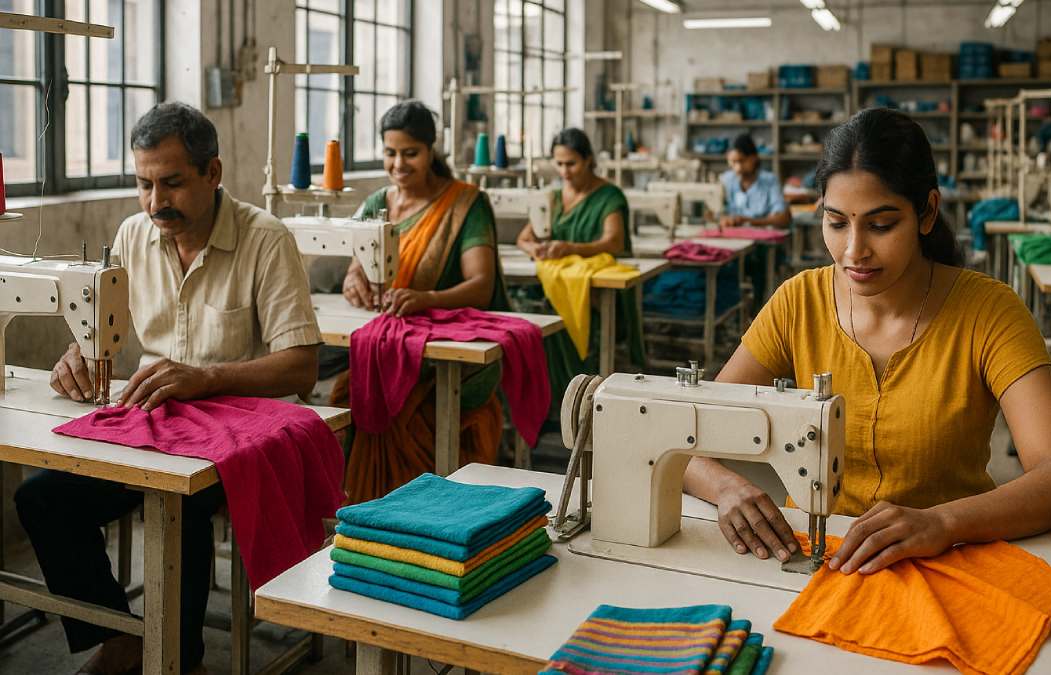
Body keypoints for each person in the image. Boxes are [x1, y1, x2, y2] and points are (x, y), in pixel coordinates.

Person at [683, 108, 1051, 575]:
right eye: (837, 223)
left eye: (880, 225)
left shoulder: (988, 313)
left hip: (952, 563)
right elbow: (691, 437)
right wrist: (724, 487)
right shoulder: (798, 304)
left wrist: (943, 523)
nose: (854, 251)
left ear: (928, 212)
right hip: (816, 563)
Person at [17, 102, 322, 675]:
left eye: (172, 183)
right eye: (144, 184)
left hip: (241, 429)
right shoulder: (135, 234)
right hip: (158, 419)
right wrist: (77, 356)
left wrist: (205, 378)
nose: (157, 202)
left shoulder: (265, 240)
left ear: (214, 173)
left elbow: (301, 367)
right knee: (41, 498)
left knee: (175, 503)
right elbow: (101, 327)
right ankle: (122, 638)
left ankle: (179, 660)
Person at [331, 100, 509, 502]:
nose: (399, 165)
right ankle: (369, 521)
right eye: (390, 153)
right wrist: (353, 279)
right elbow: (356, 260)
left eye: (410, 153)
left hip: (450, 357)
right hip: (390, 348)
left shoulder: (465, 204)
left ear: (431, 151)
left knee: (402, 412)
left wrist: (426, 298)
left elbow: (480, 285)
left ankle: (426, 517)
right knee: (353, 400)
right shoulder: (377, 203)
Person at [513, 127, 643, 403]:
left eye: (571, 164)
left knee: (554, 317)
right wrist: (534, 248)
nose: (564, 172)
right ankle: (546, 401)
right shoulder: (554, 198)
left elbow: (614, 242)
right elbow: (523, 238)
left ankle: (578, 400)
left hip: (598, 293)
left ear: (588, 160)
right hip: (559, 284)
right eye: (559, 164)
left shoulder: (609, 196)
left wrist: (571, 249)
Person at [718, 133, 790, 305]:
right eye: (732, 162)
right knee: (722, 263)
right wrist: (723, 218)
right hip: (734, 244)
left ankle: (759, 310)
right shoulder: (726, 181)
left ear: (753, 158)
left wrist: (748, 221)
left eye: (741, 161)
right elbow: (715, 211)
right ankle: (732, 308)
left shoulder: (769, 181)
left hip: (761, 247)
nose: (736, 168)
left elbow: (782, 218)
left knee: (759, 265)